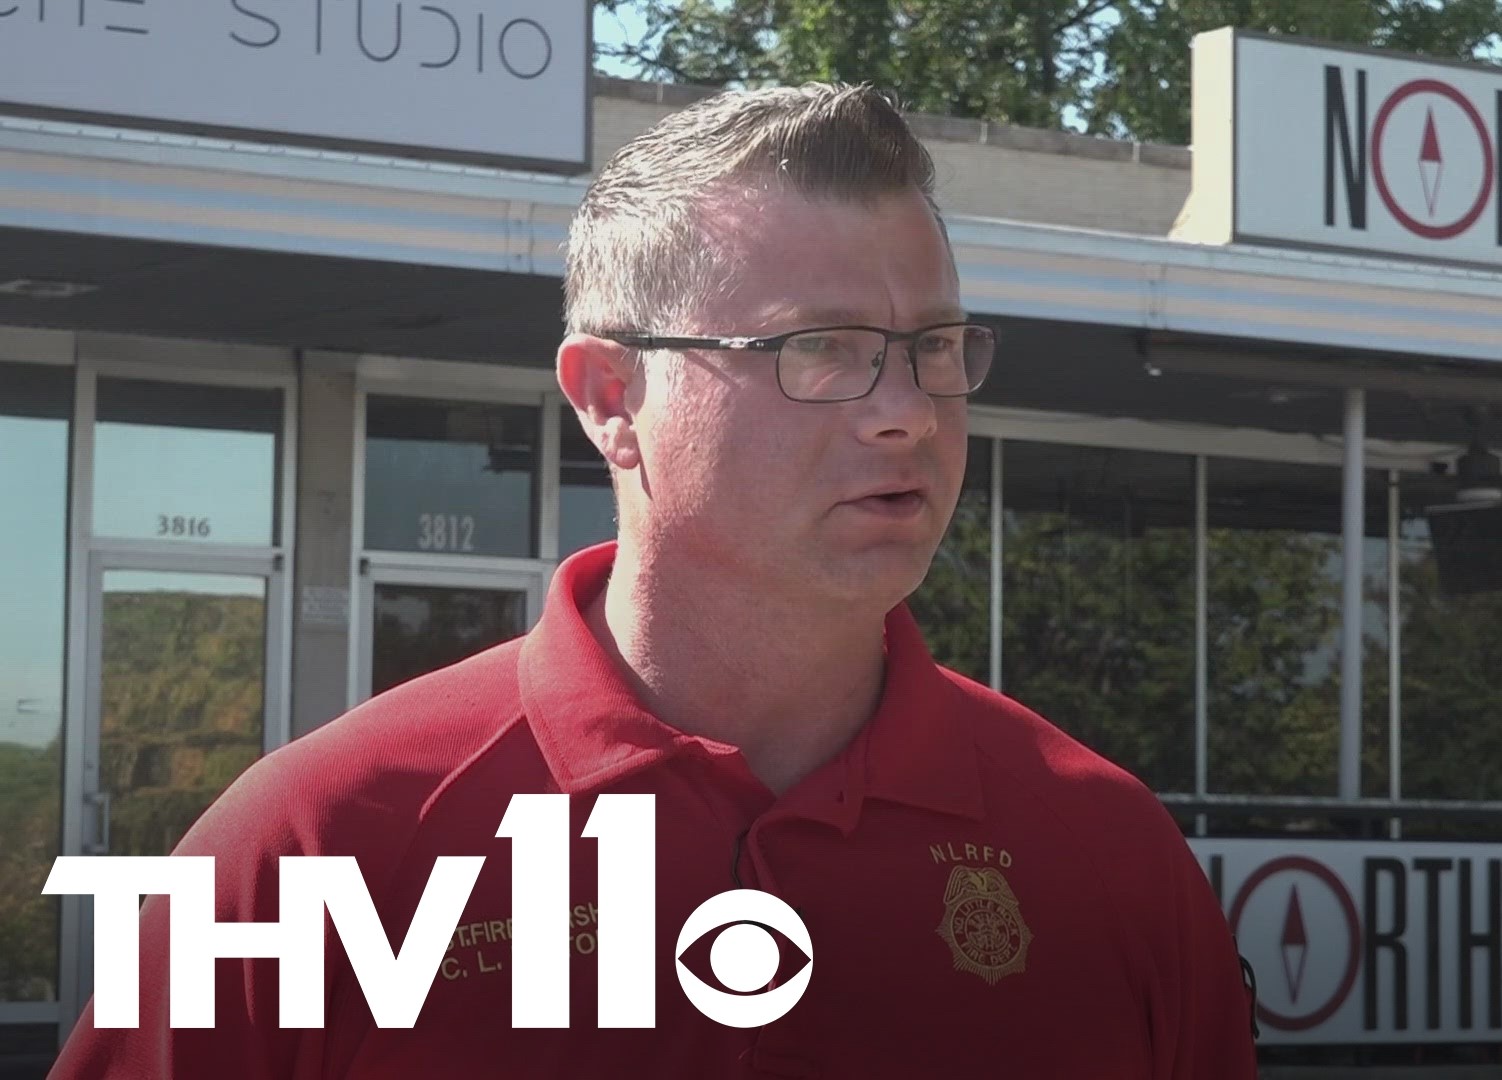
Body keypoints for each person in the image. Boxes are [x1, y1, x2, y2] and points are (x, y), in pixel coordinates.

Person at [50, 83, 1258, 1079]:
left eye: (933, 348)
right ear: (611, 400)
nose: (906, 413)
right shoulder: (323, 848)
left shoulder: (1104, 853)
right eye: (822, 350)